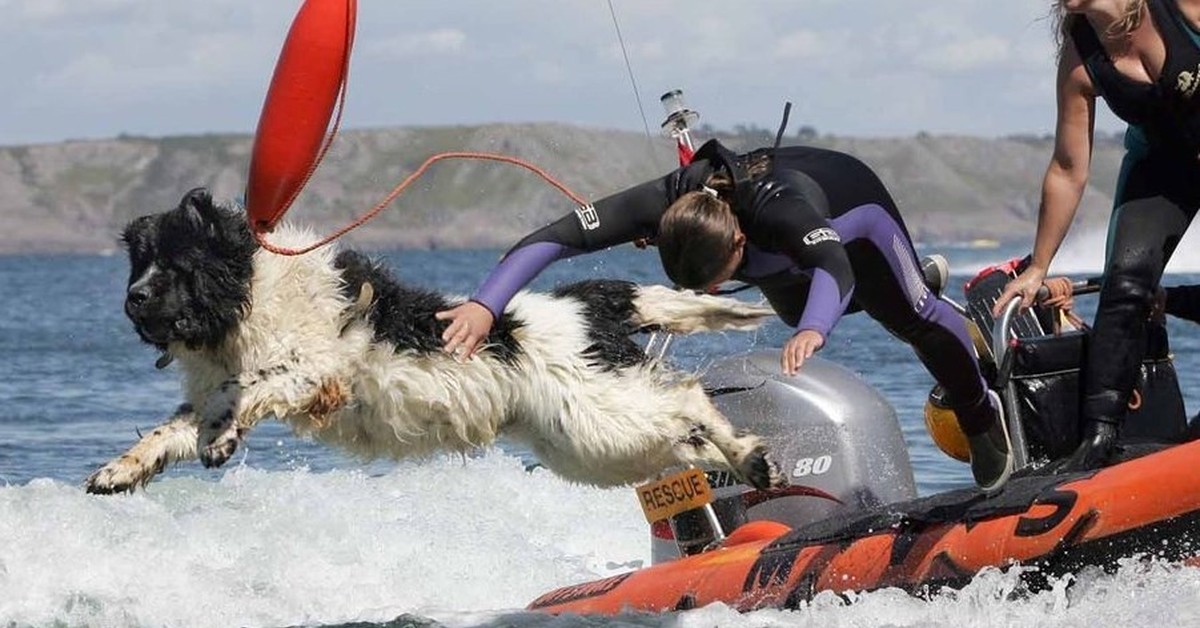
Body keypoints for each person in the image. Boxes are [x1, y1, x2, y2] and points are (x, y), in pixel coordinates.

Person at [436, 139, 1015, 491]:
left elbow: (833, 266)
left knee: (906, 315)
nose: (711, 291)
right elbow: (555, 237)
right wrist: (486, 305)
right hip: (778, 254)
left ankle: (979, 412)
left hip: (850, 219)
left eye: (713, 281)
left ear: (737, 241)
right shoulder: (662, 204)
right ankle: (876, 290)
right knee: (792, 313)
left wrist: (818, 328)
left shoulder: (779, 215)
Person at [995, 0, 1200, 471]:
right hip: (1161, 169)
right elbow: (1068, 170)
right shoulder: (1080, 56)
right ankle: (1100, 439)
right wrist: (1038, 267)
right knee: (1124, 287)